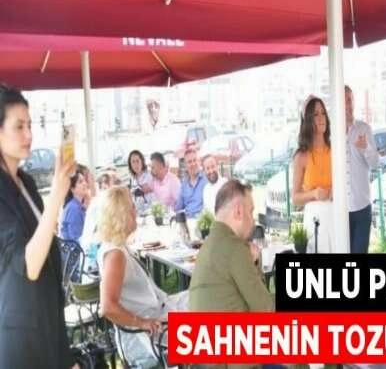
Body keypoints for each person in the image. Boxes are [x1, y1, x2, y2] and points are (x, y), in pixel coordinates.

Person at [0, 84, 77, 368]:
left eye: (30, 125)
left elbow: (45, 246)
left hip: (49, 324)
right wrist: (57, 193)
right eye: (19, 126)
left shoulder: (27, 183)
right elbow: (28, 265)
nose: (29, 135)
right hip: (21, 341)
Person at [98, 186, 188, 367]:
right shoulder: (115, 255)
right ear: (122, 214)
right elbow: (107, 307)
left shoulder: (118, 247)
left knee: (204, 297)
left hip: (157, 318)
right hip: (145, 338)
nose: (136, 211)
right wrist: (143, 323)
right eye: (132, 207)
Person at [189, 179, 273, 315]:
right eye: (251, 212)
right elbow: (266, 308)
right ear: (238, 212)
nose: (253, 220)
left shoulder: (209, 245)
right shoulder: (235, 248)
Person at [292, 96, 334, 253]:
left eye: (323, 113)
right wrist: (314, 194)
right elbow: (295, 198)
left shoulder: (335, 150)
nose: (321, 118)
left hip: (335, 215)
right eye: (316, 114)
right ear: (308, 120)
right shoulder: (301, 156)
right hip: (315, 218)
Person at [345, 85, 380, 253]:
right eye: (343, 100)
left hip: (361, 205)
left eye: (349, 99)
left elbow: (375, 163)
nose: (347, 104)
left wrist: (366, 147)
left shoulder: (364, 129)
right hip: (340, 209)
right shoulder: (331, 133)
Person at [80, 169, 120, 270]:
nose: (120, 186)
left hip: (91, 253)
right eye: (116, 182)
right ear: (105, 185)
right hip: (94, 260)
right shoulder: (103, 202)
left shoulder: (99, 200)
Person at [175, 149, 207, 218]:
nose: (193, 164)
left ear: (199, 162)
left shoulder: (206, 180)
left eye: (195, 160)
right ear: (185, 165)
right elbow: (178, 208)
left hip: (203, 220)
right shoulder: (184, 185)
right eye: (189, 162)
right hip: (187, 219)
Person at [60, 167, 89, 242]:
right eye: (80, 182)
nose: (85, 183)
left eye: (84, 180)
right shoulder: (74, 209)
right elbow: (76, 239)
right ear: (72, 189)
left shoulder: (77, 205)